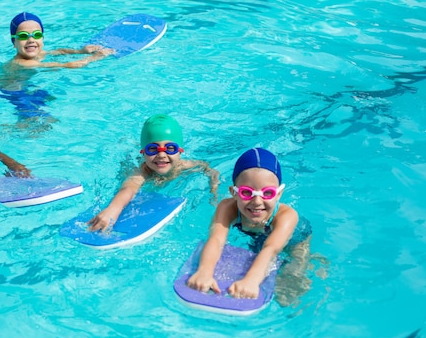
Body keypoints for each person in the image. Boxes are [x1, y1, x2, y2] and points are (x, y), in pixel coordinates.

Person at [186, 147, 318, 306]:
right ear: (233, 192)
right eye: (247, 193)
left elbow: (271, 249)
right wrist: (204, 272)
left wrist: (251, 280)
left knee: (287, 295)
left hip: (292, 241)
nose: (257, 201)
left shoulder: (287, 216)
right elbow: (216, 239)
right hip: (256, 235)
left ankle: (313, 260)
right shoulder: (227, 207)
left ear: (279, 194)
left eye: (267, 193)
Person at [87, 114, 220, 232]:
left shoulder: (184, 165)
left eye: (170, 148)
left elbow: (207, 168)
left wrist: (214, 187)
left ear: (180, 151)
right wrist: (113, 209)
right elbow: (129, 188)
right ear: (143, 152)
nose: (161, 155)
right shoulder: (141, 172)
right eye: (152, 149)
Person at [6, 11, 114, 69]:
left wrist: (80, 51)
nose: (31, 40)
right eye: (23, 36)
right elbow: (69, 65)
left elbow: (60, 51)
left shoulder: (40, 54)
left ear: (42, 39)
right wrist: (95, 57)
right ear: (14, 42)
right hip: (14, 94)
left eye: (37, 35)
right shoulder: (21, 63)